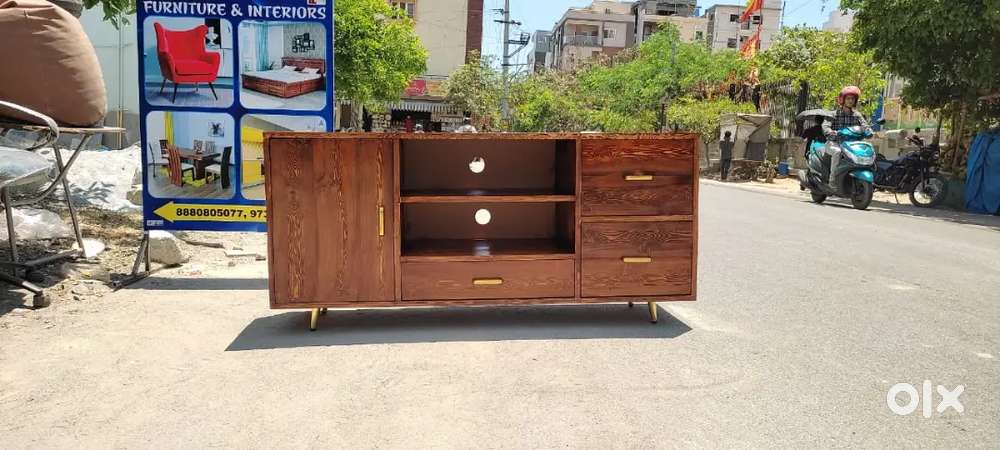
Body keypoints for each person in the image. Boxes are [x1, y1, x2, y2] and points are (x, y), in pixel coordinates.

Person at [822, 86, 871, 190]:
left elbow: (864, 125)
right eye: (848, 98)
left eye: (852, 99)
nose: (850, 101)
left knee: (866, 151)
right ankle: (832, 181)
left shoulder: (857, 115)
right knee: (837, 152)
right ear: (842, 100)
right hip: (834, 143)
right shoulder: (833, 114)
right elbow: (825, 126)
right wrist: (830, 131)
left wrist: (869, 131)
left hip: (851, 144)